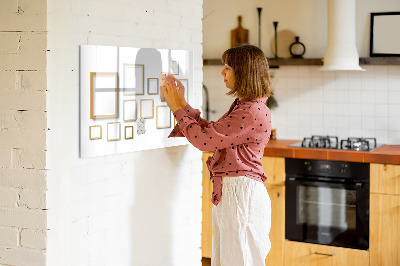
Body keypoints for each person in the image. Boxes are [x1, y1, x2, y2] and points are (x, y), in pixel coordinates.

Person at [161, 44, 273, 266]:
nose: (222, 72)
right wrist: (182, 104)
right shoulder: (246, 106)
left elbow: (204, 141)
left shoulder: (250, 111)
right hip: (236, 193)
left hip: (241, 195)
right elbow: (212, 133)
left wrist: (176, 108)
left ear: (244, 72)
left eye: (228, 67)